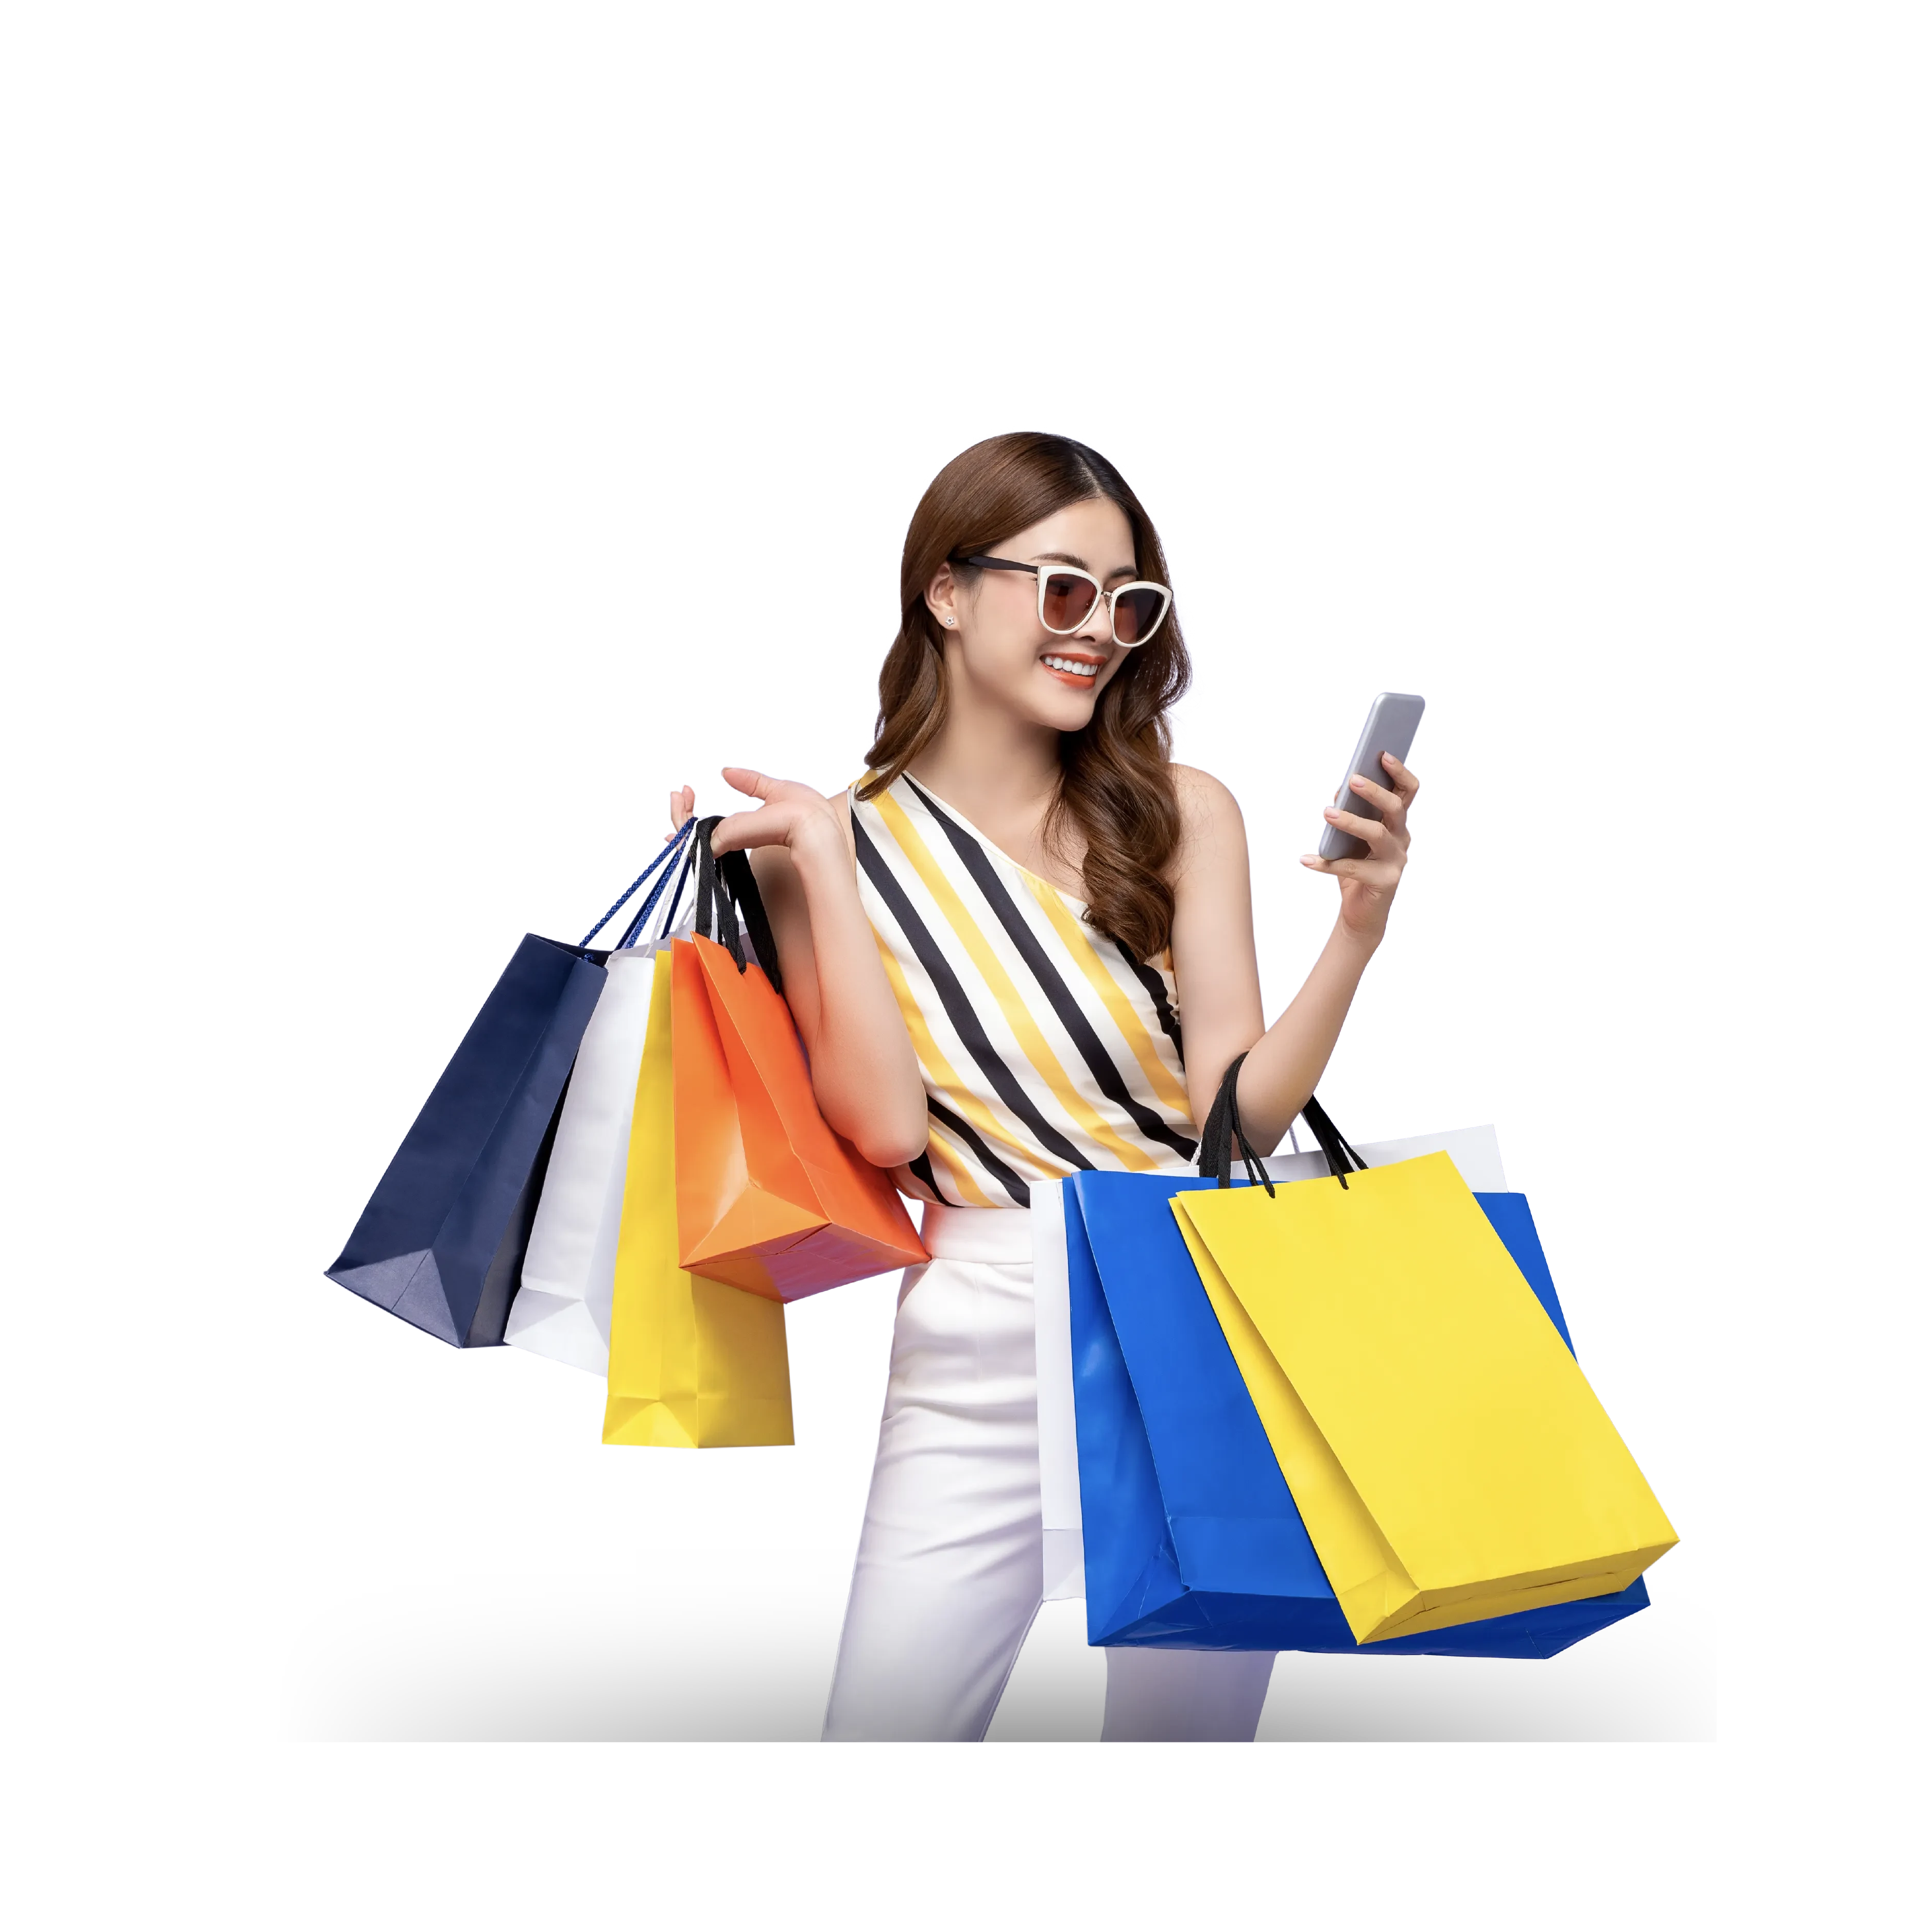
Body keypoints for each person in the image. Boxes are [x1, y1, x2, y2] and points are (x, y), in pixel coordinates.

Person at [668, 431, 1418, 1745]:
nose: (1100, 632)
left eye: (1129, 603)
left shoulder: (1180, 815)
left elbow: (1233, 1118)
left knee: (1181, 1737)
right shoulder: (818, 842)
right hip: (979, 1322)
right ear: (945, 594)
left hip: (1196, 1310)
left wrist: (1355, 931)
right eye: (1062, 588)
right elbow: (891, 1129)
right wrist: (831, 868)